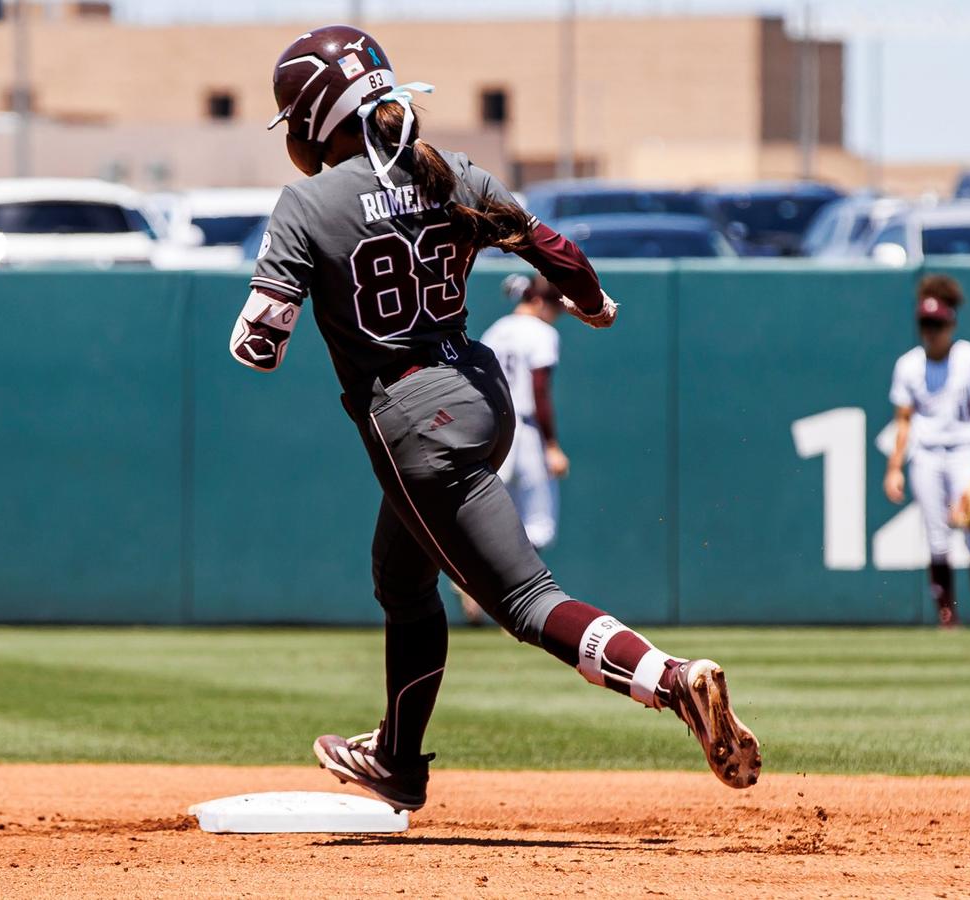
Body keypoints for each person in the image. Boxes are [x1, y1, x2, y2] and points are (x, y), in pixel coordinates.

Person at [231, 25, 759, 811]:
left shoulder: (308, 201)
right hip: (481, 394)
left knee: (523, 600)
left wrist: (267, 325)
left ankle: (670, 680)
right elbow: (558, 251)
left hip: (414, 422)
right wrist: (593, 304)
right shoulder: (452, 173)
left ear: (312, 114)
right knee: (401, 577)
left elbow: (259, 343)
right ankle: (399, 760)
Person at [884, 275, 970, 629]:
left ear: (951, 322)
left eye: (937, 324)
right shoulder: (909, 365)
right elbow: (904, 422)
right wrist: (894, 468)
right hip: (926, 454)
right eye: (925, 324)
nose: (931, 332)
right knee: (937, 537)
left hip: (966, 451)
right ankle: (947, 617)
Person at [481, 273, 569, 550]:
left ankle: (479, 586)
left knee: (492, 524)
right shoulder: (541, 332)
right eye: (556, 309)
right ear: (541, 302)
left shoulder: (495, 330)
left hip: (494, 430)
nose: (556, 316)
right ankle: (519, 588)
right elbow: (539, 389)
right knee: (538, 527)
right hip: (527, 432)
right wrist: (552, 445)